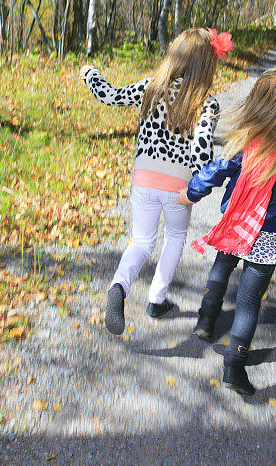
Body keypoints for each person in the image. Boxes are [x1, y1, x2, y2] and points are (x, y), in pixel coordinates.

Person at [178, 67, 276, 395]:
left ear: (260, 103)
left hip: (240, 222)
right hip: (272, 234)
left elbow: (216, 170)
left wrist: (191, 191)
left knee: (222, 266)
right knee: (249, 300)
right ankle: (234, 366)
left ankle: (206, 322)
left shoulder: (250, 141)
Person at [80, 28, 233, 336]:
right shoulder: (206, 102)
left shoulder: (152, 87)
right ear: (207, 66)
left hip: (144, 178)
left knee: (142, 242)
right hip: (178, 188)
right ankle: (156, 299)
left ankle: (119, 287)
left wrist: (90, 74)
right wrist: (196, 187)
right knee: (174, 238)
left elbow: (109, 94)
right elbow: (202, 154)